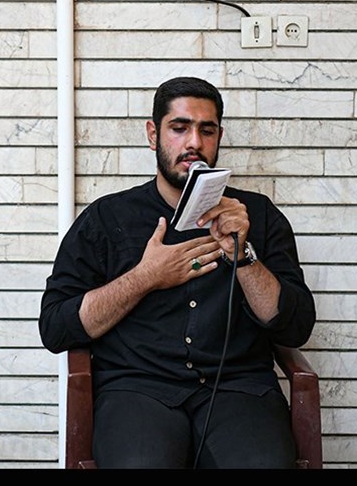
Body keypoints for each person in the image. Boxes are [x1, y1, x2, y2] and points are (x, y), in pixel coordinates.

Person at [38, 76, 316, 469]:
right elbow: (56, 328)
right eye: (179, 128)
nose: (194, 143)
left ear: (219, 137)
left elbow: (296, 328)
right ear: (153, 135)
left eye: (207, 130)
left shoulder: (258, 216)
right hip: (137, 389)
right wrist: (145, 277)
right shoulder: (106, 218)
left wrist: (242, 254)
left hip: (238, 388)